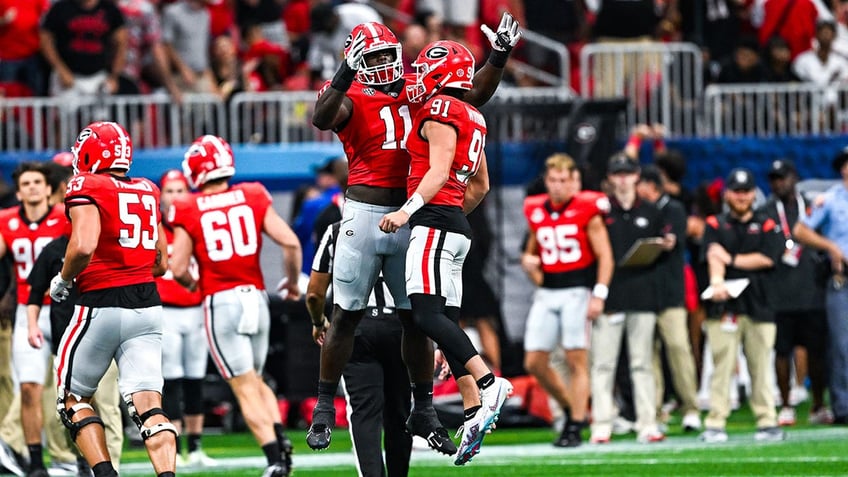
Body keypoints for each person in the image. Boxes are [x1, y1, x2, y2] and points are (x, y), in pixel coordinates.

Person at [306, 14, 521, 455]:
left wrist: (496, 58)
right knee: (346, 311)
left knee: (416, 316)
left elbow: (471, 93)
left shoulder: (418, 87)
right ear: (355, 60)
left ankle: (424, 406)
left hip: (412, 211)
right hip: (367, 210)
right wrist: (346, 71)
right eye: (374, 57)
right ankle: (325, 405)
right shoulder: (349, 92)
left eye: (389, 54)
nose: (385, 63)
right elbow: (323, 117)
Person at [378, 39, 513, 466]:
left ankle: (488, 381)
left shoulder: (440, 110)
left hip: (435, 225)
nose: (417, 77)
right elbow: (480, 186)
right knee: (445, 319)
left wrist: (408, 211)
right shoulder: (474, 114)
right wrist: (450, 210)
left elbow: (437, 171)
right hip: (456, 227)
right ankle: (473, 409)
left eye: (424, 69)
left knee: (425, 314)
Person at [49, 121, 177, 477]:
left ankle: (105, 474)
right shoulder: (148, 189)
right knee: (150, 407)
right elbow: (161, 263)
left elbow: (85, 245)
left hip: (101, 303)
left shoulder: (85, 184)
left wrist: (63, 279)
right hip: (148, 306)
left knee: (72, 399)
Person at [169, 135, 302, 477]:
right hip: (255, 297)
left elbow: (179, 268)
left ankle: (274, 460)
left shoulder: (188, 206)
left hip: (221, 300)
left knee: (243, 386)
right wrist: (289, 282)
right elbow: (289, 242)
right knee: (257, 380)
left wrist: (194, 286)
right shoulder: (254, 194)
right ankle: (281, 442)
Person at [520, 153, 614, 447]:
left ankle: (573, 424)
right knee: (534, 361)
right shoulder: (535, 209)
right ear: (546, 181)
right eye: (553, 180)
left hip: (577, 290)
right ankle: (571, 410)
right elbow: (533, 253)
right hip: (548, 291)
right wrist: (530, 266)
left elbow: (605, 256)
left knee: (577, 361)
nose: (558, 186)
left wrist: (599, 294)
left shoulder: (588, 208)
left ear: (575, 181)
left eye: (564, 180)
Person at [307, 221, 412, 477]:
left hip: (356, 327)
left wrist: (318, 321)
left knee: (365, 412)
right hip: (402, 326)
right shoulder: (410, 228)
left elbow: (314, 294)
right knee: (401, 412)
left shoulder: (337, 231)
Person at [699, 168, 785, 443]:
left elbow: (768, 259)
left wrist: (731, 260)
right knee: (721, 366)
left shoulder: (768, 223)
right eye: (736, 191)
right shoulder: (714, 224)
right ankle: (715, 422)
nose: (741, 196)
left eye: (746, 191)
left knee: (761, 366)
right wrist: (717, 280)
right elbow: (713, 254)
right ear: (727, 194)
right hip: (724, 306)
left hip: (760, 304)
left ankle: (767, 420)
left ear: (753, 193)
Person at [0, 162, 72, 477]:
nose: (31, 187)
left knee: (74, 387)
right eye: (25, 183)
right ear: (18, 192)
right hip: (27, 310)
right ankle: (34, 462)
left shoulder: (64, 218)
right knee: (28, 388)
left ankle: (80, 458)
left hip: (65, 307)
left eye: (36, 182)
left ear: (47, 189)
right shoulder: (6, 221)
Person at [590, 153, 666, 445]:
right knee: (604, 364)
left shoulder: (651, 210)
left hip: (642, 295)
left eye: (627, 173)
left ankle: (647, 423)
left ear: (636, 176)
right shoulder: (601, 212)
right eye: (617, 174)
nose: (622, 179)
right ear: (611, 178)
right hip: (610, 297)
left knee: (642, 363)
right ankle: (601, 424)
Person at [758, 159, 830, 426]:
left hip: (812, 289)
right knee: (781, 352)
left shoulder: (813, 207)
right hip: (779, 291)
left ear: (794, 177)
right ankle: (786, 404)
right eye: (774, 178)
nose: (779, 183)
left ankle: (819, 404)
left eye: (783, 177)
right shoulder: (765, 211)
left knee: (817, 351)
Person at [155, 169, 217, 467]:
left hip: (196, 310)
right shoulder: (155, 228)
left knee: (195, 378)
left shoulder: (196, 225)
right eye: (170, 191)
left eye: (181, 190)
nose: (176, 196)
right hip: (166, 310)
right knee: (172, 378)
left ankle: (195, 446)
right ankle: (174, 447)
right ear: (161, 195)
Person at [636, 165, 703, 432]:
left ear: (651, 186)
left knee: (678, 349)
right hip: (643, 295)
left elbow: (670, 242)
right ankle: (653, 411)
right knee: (647, 356)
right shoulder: (639, 211)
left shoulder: (673, 208)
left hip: (670, 293)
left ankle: (691, 407)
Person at [793, 147, 848, 425]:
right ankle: (843, 407)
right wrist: (831, 247)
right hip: (842, 279)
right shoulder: (830, 200)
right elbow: (800, 230)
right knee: (841, 344)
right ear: (843, 169)